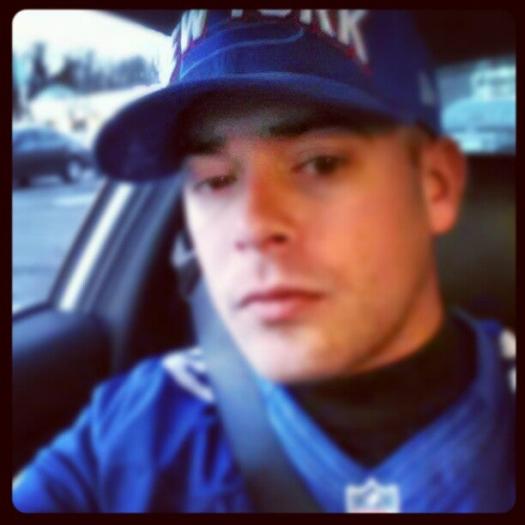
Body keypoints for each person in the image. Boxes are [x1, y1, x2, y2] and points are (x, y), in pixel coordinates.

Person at [13, 10, 515, 513]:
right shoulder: (128, 433)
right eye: (213, 181)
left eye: (321, 164)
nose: (251, 226)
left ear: (435, 185)